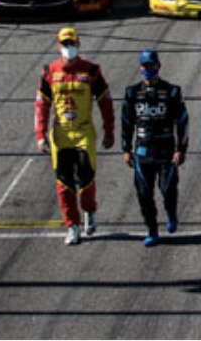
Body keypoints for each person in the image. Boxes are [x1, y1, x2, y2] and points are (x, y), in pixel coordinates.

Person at [34, 27, 115, 246]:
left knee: (86, 179)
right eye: (64, 43)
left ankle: (89, 210)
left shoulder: (91, 71)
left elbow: (106, 102)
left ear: (79, 45)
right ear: (58, 45)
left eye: (72, 43)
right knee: (63, 182)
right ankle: (72, 225)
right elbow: (41, 106)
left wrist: (109, 131)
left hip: (83, 131)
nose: (68, 47)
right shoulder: (48, 72)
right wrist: (40, 135)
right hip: (60, 133)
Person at [120, 50, 189, 247]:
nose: (148, 70)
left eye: (152, 66)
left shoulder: (172, 91)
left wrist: (181, 149)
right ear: (140, 68)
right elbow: (126, 121)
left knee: (168, 189)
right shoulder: (132, 92)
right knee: (143, 193)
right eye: (145, 66)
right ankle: (152, 230)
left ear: (159, 66)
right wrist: (125, 148)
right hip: (143, 150)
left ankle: (171, 212)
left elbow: (183, 121)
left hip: (166, 149)